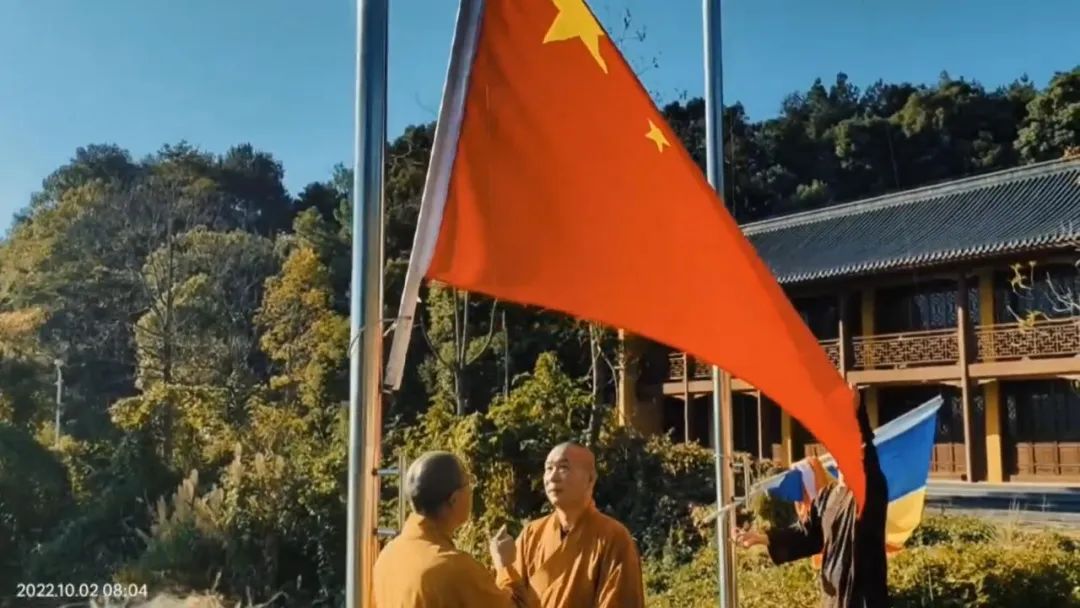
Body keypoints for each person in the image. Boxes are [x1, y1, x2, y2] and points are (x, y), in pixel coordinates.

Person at [734, 403, 889, 608]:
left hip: (863, 600)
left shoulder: (867, 495)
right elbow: (808, 535)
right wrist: (763, 538)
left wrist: (857, 411)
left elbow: (868, 455)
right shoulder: (827, 496)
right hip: (833, 601)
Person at [373, 450, 538, 608]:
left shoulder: (387, 557)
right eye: (468, 484)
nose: (471, 491)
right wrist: (505, 566)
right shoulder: (455, 568)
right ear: (454, 499)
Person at [491, 441, 646, 608]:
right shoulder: (531, 534)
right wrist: (504, 566)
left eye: (563, 468)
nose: (552, 477)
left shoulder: (614, 538)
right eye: (549, 468)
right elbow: (511, 604)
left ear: (590, 479)